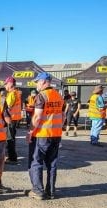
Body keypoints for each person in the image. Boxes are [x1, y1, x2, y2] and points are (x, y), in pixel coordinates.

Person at [26, 72, 64, 200]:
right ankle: (51, 191)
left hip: (42, 135)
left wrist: (30, 132)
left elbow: (37, 117)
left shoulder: (41, 96)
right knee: (52, 163)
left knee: (36, 162)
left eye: (37, 81)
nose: (36, 84)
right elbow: (62, 116)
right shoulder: (58, 96)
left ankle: (38, 191)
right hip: (56, 135)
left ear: (43, 81)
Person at [4, 76, 22, 164]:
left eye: (6, 84)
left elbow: (7, 107)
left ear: (10, 84)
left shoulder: (12, 94)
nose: (5, 86)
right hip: (15, 118)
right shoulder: (16, 93)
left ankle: (12, 158)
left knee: (10, 139)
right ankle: (12, 157)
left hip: (10, 119)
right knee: (11, 138)